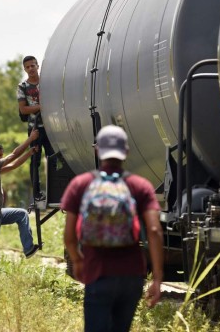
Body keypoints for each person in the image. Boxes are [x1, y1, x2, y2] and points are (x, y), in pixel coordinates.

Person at [61, 125, 164, 332]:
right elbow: (154, 231)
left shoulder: (80, 184)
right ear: (126, 152)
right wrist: (158, 278)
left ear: (97, 150)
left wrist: (78, 261)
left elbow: (69, 235)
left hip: (97, 272)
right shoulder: (140, 185)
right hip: (131, 275)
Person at [0, 129, 41, 283]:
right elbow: (13, 155)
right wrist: (30, 139)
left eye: (0, 155)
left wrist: (30, 153)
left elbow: (14, 165)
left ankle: (28, 248)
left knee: (21, 213)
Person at [17, 55, 56, 203]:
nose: (31, 69)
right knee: (35, 160)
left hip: (52, 127)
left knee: (53, 158)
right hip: (35, 129)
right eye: (27, 67)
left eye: (33, 66)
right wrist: (41, 106)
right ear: (25, 69)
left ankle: (56, 190)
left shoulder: (47, 83)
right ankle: (37, 193)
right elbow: (24, 109)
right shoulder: (22, 87)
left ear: (37, 66)